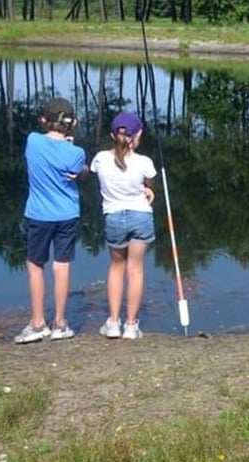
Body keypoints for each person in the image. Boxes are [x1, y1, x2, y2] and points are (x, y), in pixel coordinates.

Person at [15, 97, 88, 344]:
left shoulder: (32, 141)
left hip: (39, 214)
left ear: (43, 121)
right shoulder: (77, 153)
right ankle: (60, 323)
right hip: (67, 214)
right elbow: (81, 171)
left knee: (36, 264)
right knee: (62, 265)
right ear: (73, 123)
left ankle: (38, 323)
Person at [90, 112, 157, 339]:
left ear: (112, 135)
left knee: (117, 267)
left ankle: (113, 323)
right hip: (140, 216)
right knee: (135, 270)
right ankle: (131, 325)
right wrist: (148, 189)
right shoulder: (144, 162)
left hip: (114, 218)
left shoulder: (99, 159)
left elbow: (98, 174)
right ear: (138, 135)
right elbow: (148, 184)